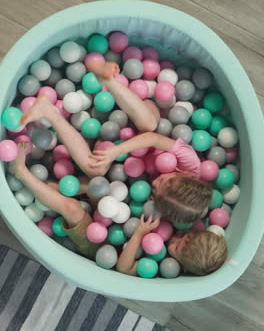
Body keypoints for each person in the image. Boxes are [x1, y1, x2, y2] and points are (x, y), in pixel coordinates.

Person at [20, 60, 212, 223]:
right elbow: (152, 139)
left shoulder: (170, 202)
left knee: (97, 171)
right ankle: (106, 79)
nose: (156, 182)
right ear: (185, 175)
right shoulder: (190, 162)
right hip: (141, 118)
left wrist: (110, 157)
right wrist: (115, 152)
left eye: (156, 189)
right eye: (163, 181)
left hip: (121, 150)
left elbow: (124, 185)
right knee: (150, 124)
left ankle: (49, 112)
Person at [9, 141, 159, 268]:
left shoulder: (156, 258)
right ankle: (48, 189)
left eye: (178, 247)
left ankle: (21, 172)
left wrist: (139, 233)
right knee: (96, 185)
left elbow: (123, 268)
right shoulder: (175, 212)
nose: (177, 241)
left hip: (98, 245)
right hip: (109, 212)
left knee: (72, 208)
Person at [117, 215, 228, 276]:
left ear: (183, 267)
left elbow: (124, 268)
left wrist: (138, 234)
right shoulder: (187, 224)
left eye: (175, 248)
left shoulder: (165, 267)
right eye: (184, 235)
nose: (174, 238)